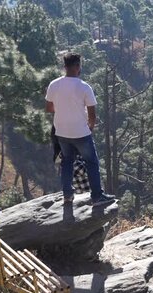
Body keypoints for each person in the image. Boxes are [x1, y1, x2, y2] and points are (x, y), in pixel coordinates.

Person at [46, 53, 115, 206]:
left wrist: (64, 109)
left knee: (67, 162)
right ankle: (97, 196)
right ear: (78, 66)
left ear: (65, 67)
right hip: (81, 132)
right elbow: (92, 114)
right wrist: (89, 128)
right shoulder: (84, 87)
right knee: (91, 162)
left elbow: (49, 107)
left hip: (61, 132)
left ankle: (67, 195)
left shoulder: (54, 85)